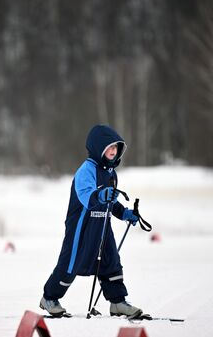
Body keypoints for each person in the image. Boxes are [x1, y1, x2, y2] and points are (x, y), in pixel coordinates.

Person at [40, 124, 142, 318]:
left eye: (116, 148)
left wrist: (125, 213)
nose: (113, 151)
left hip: (102, 225)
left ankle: (118, 302)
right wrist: (101, 195)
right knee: (71, 263)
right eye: (109, 147)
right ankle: (49, 298)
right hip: (82, 227)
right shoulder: (86, 171)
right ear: (98, 147)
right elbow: (87, 196)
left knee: (111, 261)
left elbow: (111, 201)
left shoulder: (111, 172)